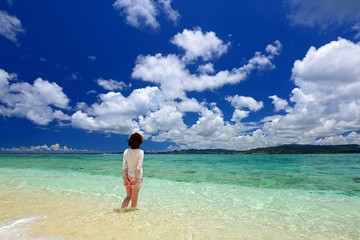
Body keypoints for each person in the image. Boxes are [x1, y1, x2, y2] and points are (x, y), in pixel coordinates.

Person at [120, 133, 144, 212]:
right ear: (140, 142)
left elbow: (124, 166)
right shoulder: (141, 152)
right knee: (134, 200)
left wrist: (125, 178)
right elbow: (138, 167)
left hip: (128, 176)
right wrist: (135, 178)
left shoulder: (126, 151)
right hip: (137, 178)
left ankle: (121, 212)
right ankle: (132, 220)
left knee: (128, 197)